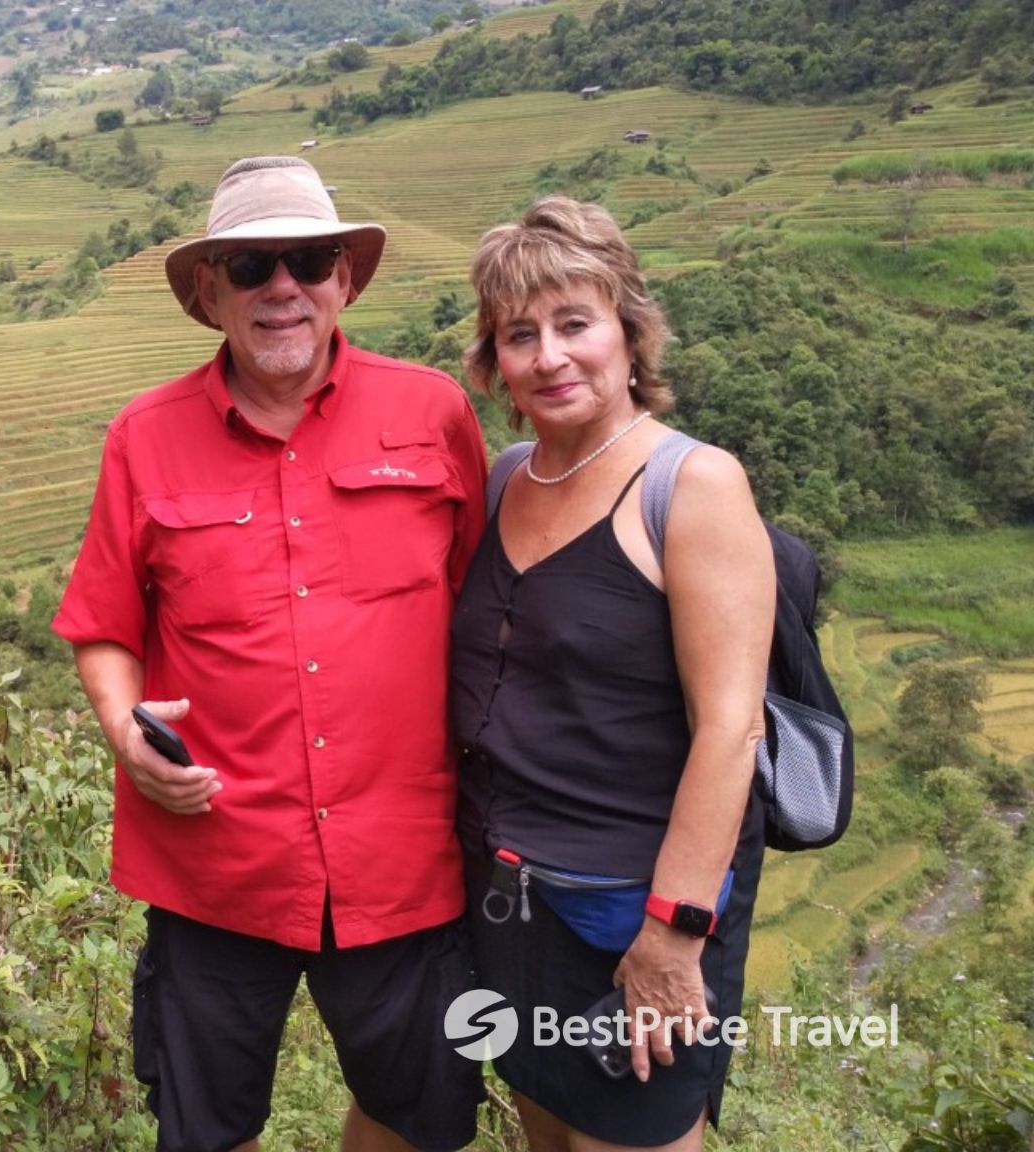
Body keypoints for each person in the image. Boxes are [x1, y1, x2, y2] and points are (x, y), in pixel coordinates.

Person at [53, 156, 489, 1152]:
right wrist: (126, 734)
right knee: (205, 1126)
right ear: (209, 292)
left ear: (342, 278)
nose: (281, 287)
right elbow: (106, 627)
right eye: (251, 265)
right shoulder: (142, 437)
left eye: (306, 260)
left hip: (402, 857)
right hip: (214, 862)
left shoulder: (430, 414)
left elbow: (477, 603)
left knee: (419, 1115)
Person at [449, 196, 775, 1151]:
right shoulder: (508, 475)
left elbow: (731, 727)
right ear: (497, 364)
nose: (549, 355)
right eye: (520, 334)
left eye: (574, 324)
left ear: (629, 336)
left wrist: (674, 937)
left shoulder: (693, 486)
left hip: (628, 919)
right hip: (510, 906)